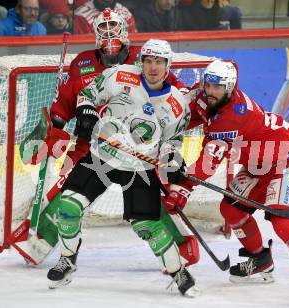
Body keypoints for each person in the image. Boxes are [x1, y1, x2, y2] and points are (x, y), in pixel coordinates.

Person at [12, 8, 199, 272]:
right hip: (92, 145)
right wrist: (56, 124)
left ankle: (179, 247)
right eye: (103, 29)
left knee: (153, 195)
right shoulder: (83, 63)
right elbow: (67, 99)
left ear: (125, 31)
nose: (109, 34)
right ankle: (41, 241)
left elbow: (173, 92)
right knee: (66, 192)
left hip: (136, 148)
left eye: (114, 28)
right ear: (94, 34)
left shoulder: (143, 58)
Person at [163, 60, 289, 307]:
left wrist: (182, 188)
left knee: (283, 220)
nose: (211, 91)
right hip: (258, 166)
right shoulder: (209, 96)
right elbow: (185, 106)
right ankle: (260, 259)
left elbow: (208, 162)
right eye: (208, 85)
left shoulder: (231, 117)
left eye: (218, 87)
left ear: (230, 87)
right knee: (231, 209)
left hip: (288, 161)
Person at [45, 38, 200, 297]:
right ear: (141, 62)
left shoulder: (177, 105)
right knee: (69, 205)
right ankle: (67, 259)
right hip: (100, 156)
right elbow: (87, 95)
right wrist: (86, 112)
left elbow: (171, 142)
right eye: (148, 61)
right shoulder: (119, 75)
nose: (153, 67)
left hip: (140, 167)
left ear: (167, 65)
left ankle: (177, 271)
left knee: (147, 227)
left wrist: (173, 160)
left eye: (159, 62)